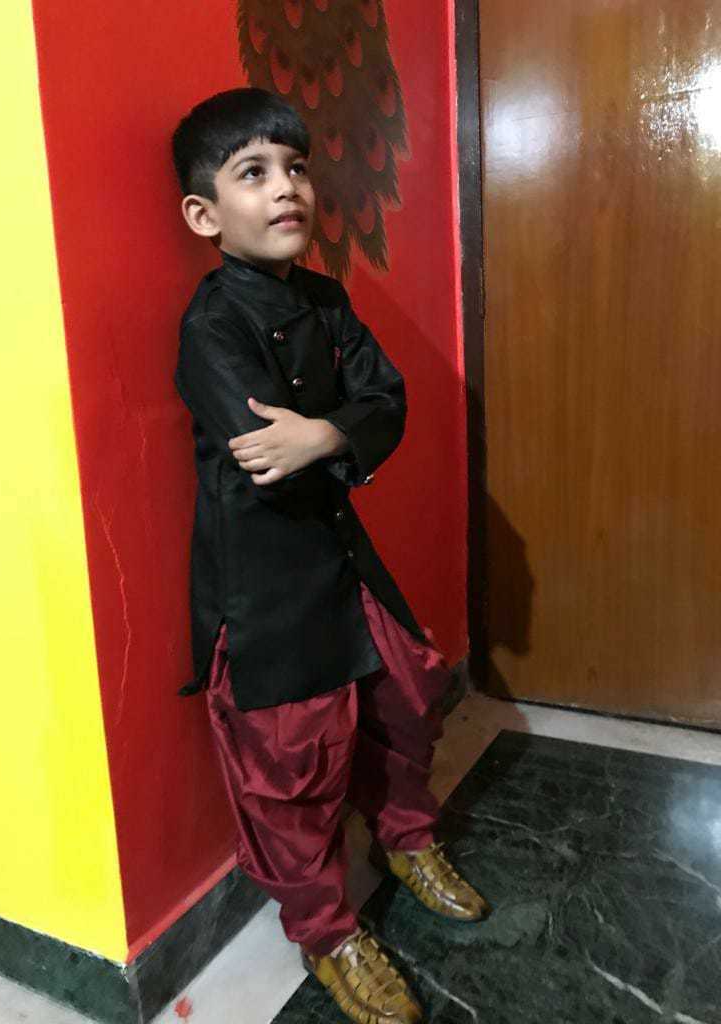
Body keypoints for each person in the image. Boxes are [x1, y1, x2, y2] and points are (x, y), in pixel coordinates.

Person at [171, 87, 488, 1024]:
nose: (287, 189)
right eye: (254, 173)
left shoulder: (328, 299)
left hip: (343, 554)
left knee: (404, 704)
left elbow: (387, 398)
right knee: (290, 772)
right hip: (265, 586)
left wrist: (327, 434)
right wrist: (325, 434)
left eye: (297, 168)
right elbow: (263, 453)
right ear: (204, 214)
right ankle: (326, 933)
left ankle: (407, 839)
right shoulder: (210, 326)